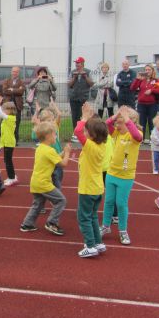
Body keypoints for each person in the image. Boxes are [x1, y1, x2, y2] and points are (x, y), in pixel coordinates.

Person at [100, 106, 143, 245]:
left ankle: (123, 231)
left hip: (126, 176)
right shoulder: (116, 134)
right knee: (108, 202)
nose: (117, 125)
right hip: (112, 173)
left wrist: (127, 119)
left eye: (120, 122)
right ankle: (105, 227)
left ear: (130, 122)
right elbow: (106, 125)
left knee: (121, 204)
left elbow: (137, 136)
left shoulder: (136, 135)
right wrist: (115, 116)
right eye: (117, 123)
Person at [20, 121, 71, 235]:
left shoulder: (41, 148)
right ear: (48, 136)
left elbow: (55, 158)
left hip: (36, 182)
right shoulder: (50, 150)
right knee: (61, 200)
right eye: (54, 134)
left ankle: (27, 224)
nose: (56, 137)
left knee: (38, 204)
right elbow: (63, 164)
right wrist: (67, 153)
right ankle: (52, 222)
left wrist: (62, 152)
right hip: (44, 183)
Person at [73, 103, 108, 258]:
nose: (84, 131)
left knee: (83, 217)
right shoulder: (100, 146)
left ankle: (90, 245)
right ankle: (98, 242)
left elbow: (77, 131)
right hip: (97, 188)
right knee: (92, 216)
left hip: (88, 189)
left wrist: (85, 118)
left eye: (87, 130)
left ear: (92, 135)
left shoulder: (91, 147)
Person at [130, 64, 159, 140]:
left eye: (149, 70)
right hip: (141, 104)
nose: (147, 71)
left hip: (152, 104)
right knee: (141, 122)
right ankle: (142, 138)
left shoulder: (156, 80)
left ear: (152, 71)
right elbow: (132, 88)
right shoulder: (142, 79)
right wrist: (137, 79)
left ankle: (153, 139)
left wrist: (152, 90)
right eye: (146, 70)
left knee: (151, 122)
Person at [0, 94, 18, 187]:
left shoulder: (11, 118)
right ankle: (12, 176)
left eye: (5, 109)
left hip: (9, 143)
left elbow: (0, 113)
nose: (3, 111)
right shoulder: (7, 119)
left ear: (10, 110)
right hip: (6, 142)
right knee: (7, 160)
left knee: (8, 161)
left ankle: (12, 178)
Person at [67, 57, 94, 136]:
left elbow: (91, 83)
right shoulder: (72, 72)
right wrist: (74, 77)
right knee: (75, 116)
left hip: (84, 98)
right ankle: (75, 133)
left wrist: (85, 77)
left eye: (78, 63)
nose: (76, 64)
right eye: (76, 63)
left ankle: (84, 132)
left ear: (82, 63)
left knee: (84, 116)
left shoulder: (88, 72)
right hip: (74, 97)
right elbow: (69, 84)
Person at [1, 66, 25, 145]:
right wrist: (16, 90)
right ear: (11, 72)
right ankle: (1, 138)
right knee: (3, 122)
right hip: (7, 105)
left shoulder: (21, 82)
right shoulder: (6, 81)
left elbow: (21, 92)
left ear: (18, 73)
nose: (14, 73)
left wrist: (12, 89)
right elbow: (5, 91)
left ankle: (15, 141)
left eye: (16, 72)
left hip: (17, 105)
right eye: (13, 71)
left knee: (16, 123)